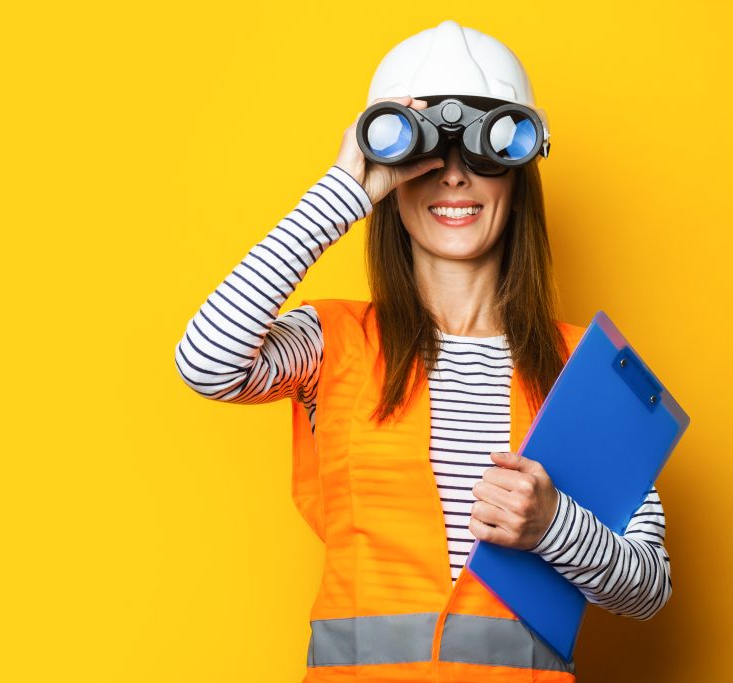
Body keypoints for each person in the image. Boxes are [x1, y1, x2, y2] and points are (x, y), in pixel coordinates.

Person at [175, 20, 671, 682]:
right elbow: (206, 360)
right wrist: (344, 189)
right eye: (427, 155)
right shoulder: (336, 344)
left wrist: (553, 525)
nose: (455, 178)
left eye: (484, 155)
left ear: (520, 170)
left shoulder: (583, 366)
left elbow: (650, 586)